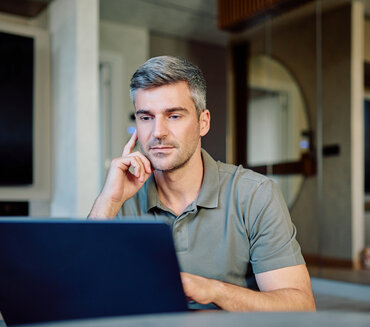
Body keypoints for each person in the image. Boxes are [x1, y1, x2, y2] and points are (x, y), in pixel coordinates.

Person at [89, 56, 315, 312]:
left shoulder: (255, 194)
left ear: (203, 122)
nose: (157, 132)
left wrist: (212, 290)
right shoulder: (120, 197)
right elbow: (78, 293)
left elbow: (301, 308)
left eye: (173, 116)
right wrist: (108, 203)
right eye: (146, 117)